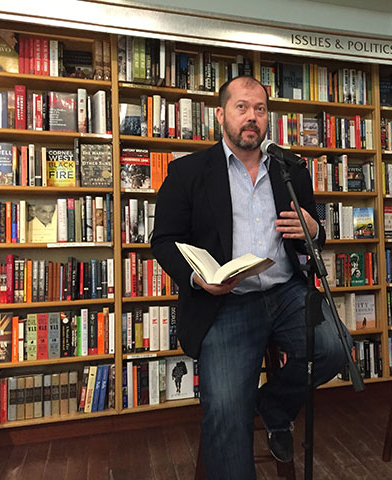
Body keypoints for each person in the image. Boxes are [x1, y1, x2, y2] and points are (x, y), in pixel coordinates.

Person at [151, 76, 350, 479]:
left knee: (336, 348)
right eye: (242, 107)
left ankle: (274, 406)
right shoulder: (188, 172)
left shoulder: (290, 168)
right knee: (225, 408)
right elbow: (164, 241)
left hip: (287, 292)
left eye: (260, 109)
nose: (252, 117)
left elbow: (312, 237)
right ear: (221, 114)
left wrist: (314, 230)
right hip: (225, 302)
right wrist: (197, 279)